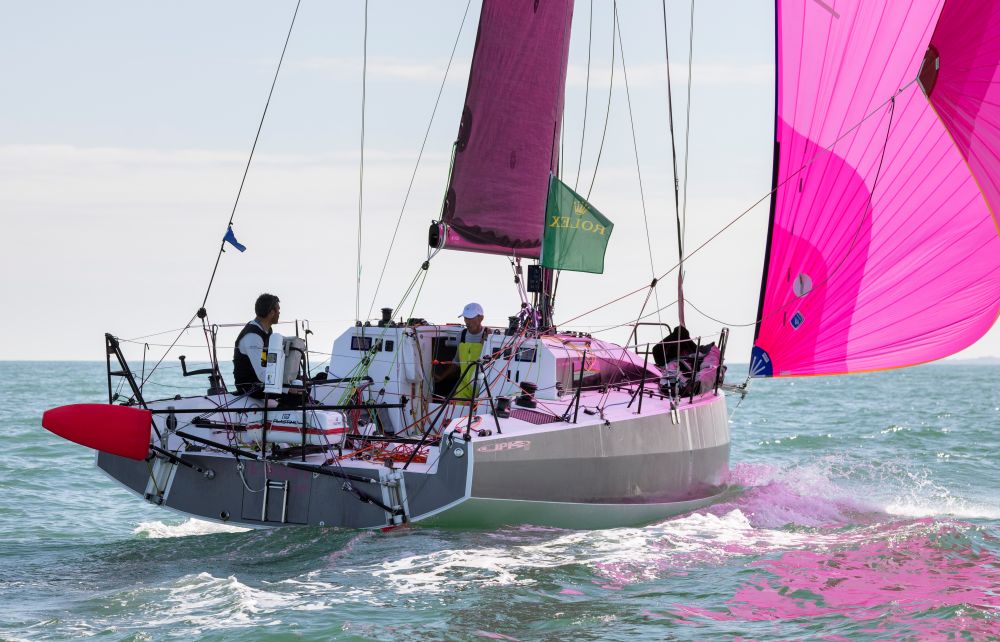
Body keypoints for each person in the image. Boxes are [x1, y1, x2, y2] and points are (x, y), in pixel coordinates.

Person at [435, 302, 488, 400]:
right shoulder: (461, 335)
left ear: (481, 318)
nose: (467, 322)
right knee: (454, 406)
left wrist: (485, 340)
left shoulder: (490, 335)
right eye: (465, 318)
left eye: (470, 318)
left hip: (483, 387)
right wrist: (442, 377)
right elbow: (457, 362)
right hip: (464, 387)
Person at [233, 293, 280, 396]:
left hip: (260, 382)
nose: (279, 313)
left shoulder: (267, 331)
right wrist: (286, 388)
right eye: (278, 310)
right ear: (271, 312)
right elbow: (262, 374)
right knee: (294, 396)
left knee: (300, 387)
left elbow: (264, 361)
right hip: (249, 386)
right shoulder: (253, 336)